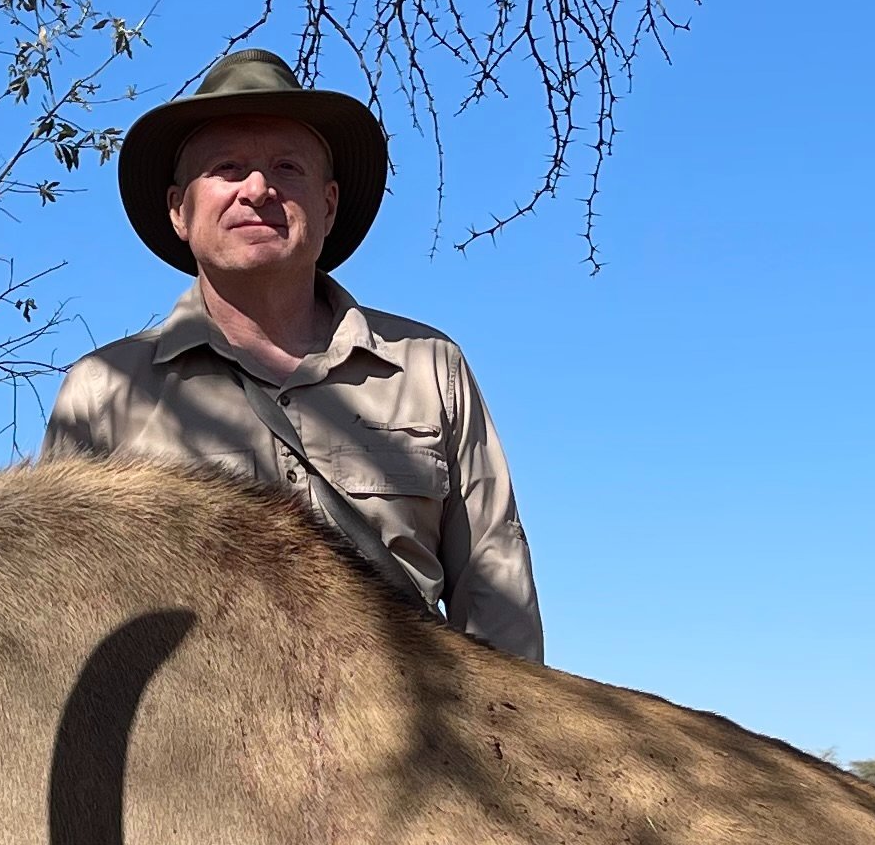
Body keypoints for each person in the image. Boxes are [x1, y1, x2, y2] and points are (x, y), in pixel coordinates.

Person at [41, 50, 544, 661]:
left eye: (287, 168)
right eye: (227, 169)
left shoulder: (430, 368)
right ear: (179, 209)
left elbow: (497, 596)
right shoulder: (105, 392)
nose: (258, 190)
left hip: (410, 744)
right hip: (195, 749)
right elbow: (62, 620)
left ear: (327, 205)